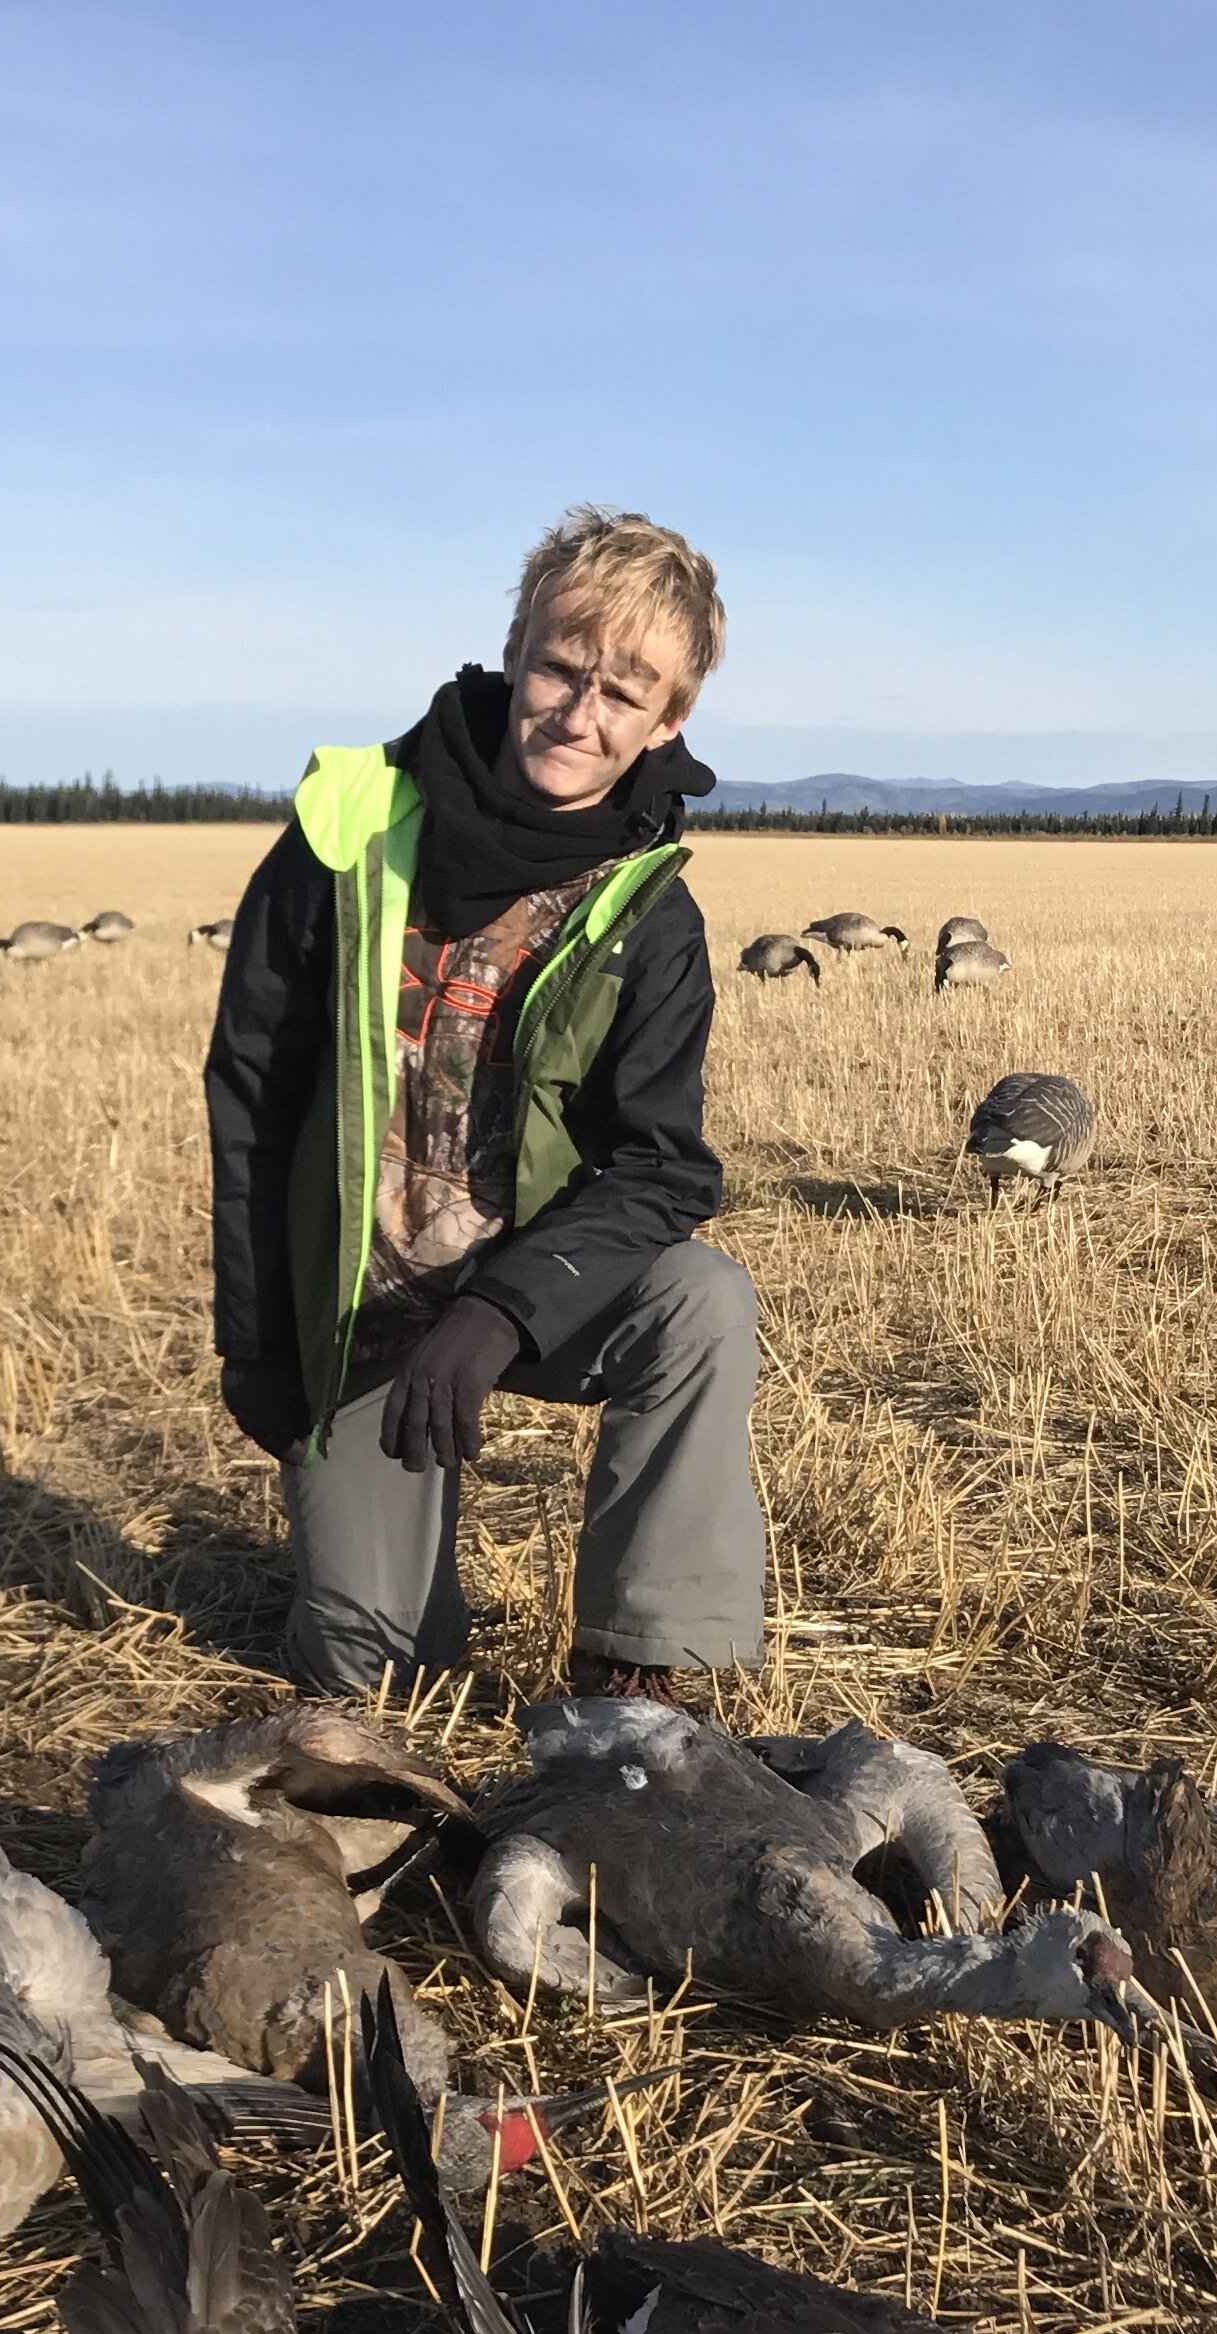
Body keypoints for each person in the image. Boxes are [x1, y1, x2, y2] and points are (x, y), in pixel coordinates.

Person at [203, 506, 765, 1703]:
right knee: (378, 1672)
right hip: (367, 1300)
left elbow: (663, 1167)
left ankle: (635, 1682)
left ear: (669, 719)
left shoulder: (650, 912)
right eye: (562, 668)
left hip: (536, 1288)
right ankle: (388, 1590)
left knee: (703, 1299)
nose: (580, 712)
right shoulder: (346, 837)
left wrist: (504, 1310)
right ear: (514, 650)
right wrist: (257, 1343)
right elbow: (250, 1094)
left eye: (626, 692)